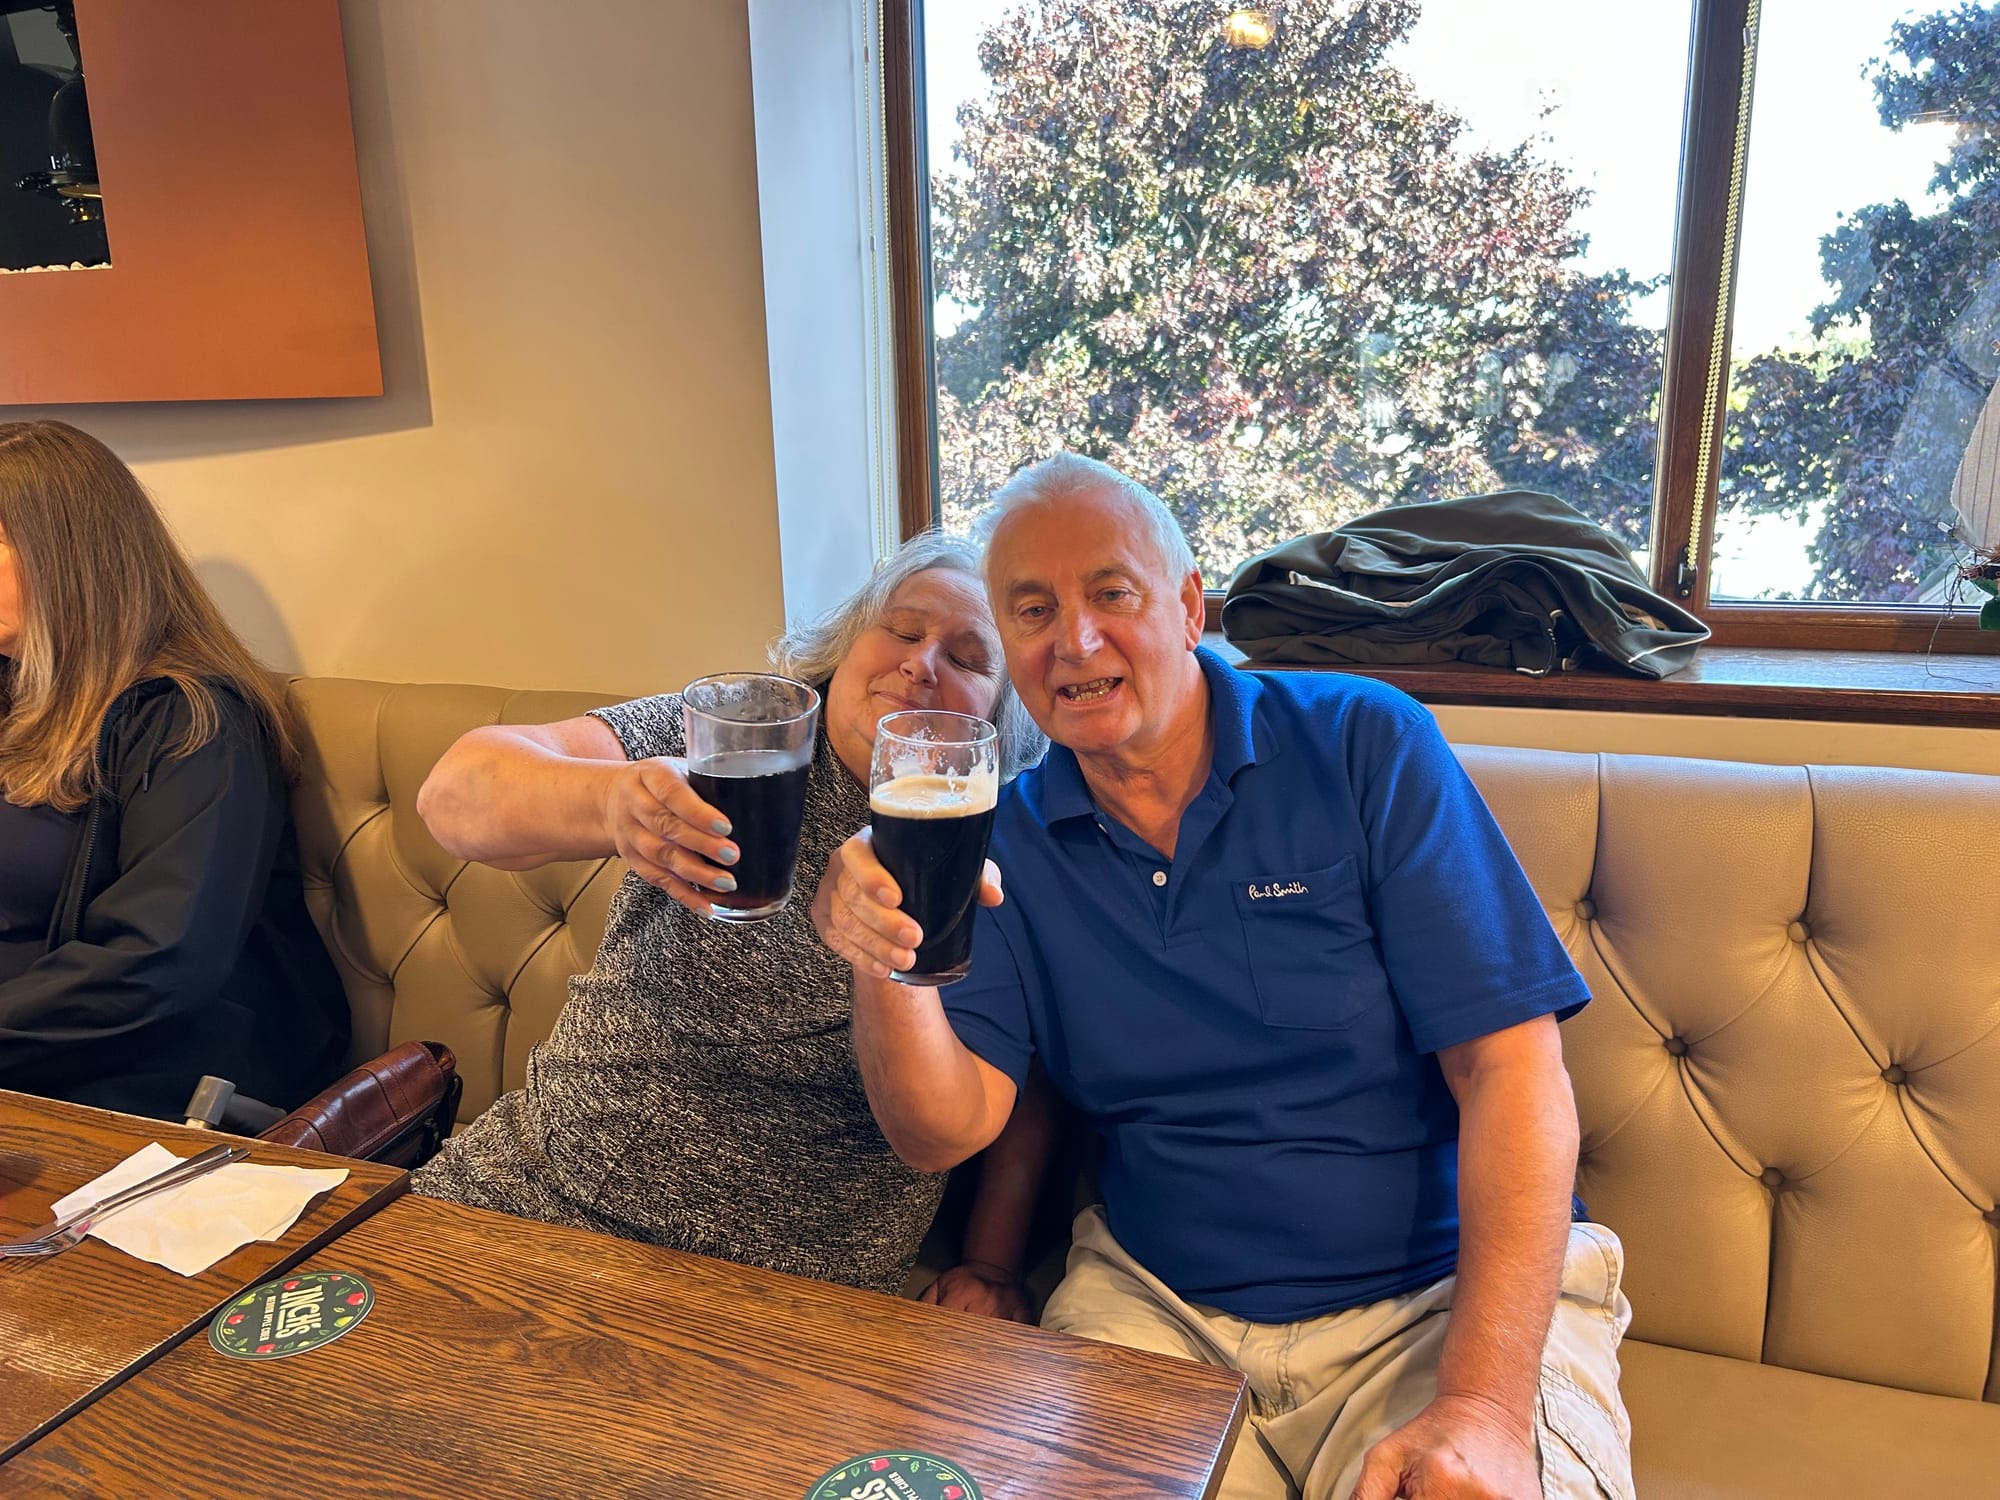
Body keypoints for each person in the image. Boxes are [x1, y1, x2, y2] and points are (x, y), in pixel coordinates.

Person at [815, 455, 1636, 1499]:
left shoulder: (1362, 742)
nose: (1075, 641)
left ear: (1189, 606)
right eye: (1032, 611)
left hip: (1432, 1306)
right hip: (1153, 1307)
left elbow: (1512, 1071)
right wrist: (883, 955)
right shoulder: (1006, 838)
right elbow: (940, 1132)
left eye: (1112, 594)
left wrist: (1480, 1408)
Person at [411, 532, 1052, 1308]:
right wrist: (613, 803)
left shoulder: (990, 843)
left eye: (969, 659)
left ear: (1002, 719)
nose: (922, 663)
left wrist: (991, 1261)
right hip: (531, 1186)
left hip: (779, 1282)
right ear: (847, 647)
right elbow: (453, 795)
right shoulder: (741, 733)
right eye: (902, 630)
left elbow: (990, 1096)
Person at [0, 419, 349, 1118]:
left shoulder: (194, 718)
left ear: (63, 557)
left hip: (139, 1079)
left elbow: (159, 962)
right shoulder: (15, 688)